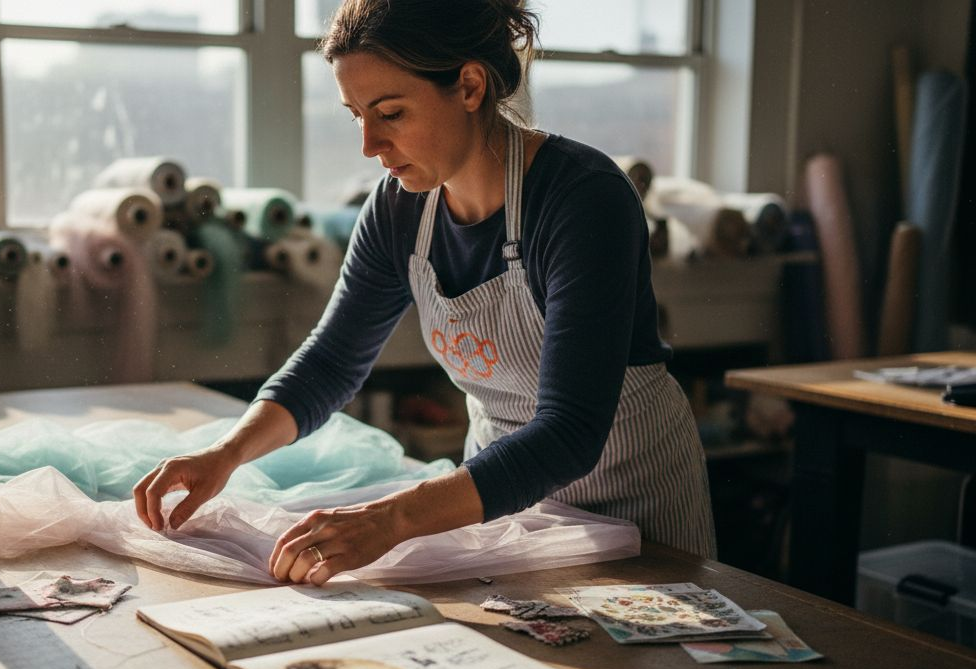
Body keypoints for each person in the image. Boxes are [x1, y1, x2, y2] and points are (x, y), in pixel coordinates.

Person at [133, 0, 715, 585]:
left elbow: (568, 434)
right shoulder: (398, 210)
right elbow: (332, 363)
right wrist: (224, 455)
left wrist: (391, 519)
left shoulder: (583, 199)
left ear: (468, 85)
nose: (369, 144)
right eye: (355, 115)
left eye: (390, 112)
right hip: (499, 502)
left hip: (637, 509)